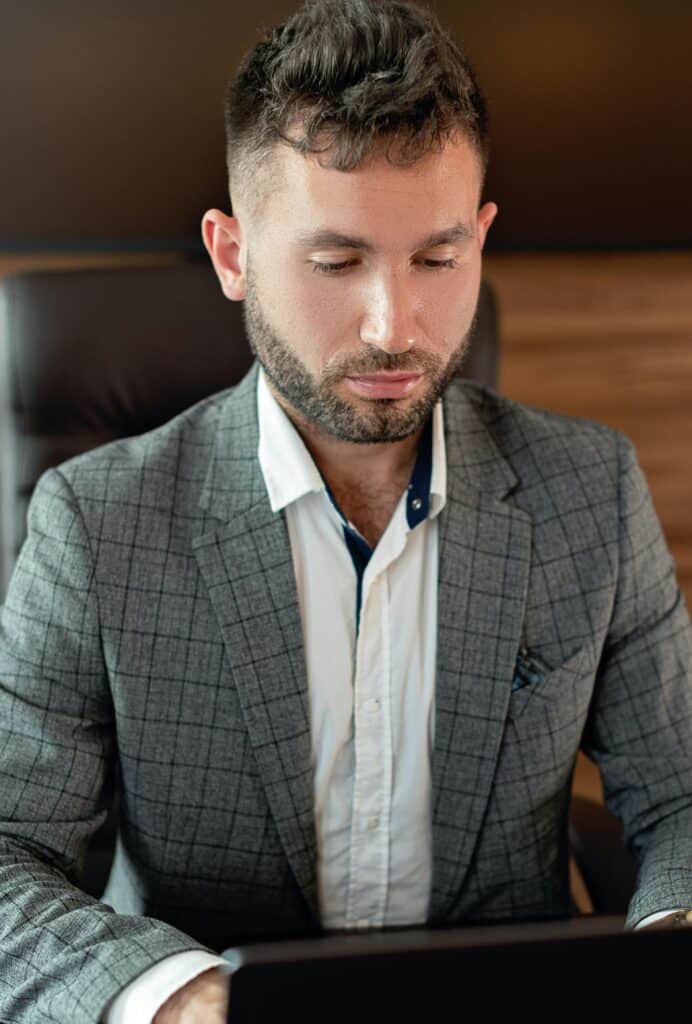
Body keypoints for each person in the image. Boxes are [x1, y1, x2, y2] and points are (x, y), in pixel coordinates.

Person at [1, 0, 691, 1021]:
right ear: (232, 254)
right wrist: (180, 1000)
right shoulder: (96, 523)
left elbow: (679, 800)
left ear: (481, 237)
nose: (392, 325)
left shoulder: (586, 490)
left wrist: (666, 956)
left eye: (437, 259)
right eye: (335, 263)